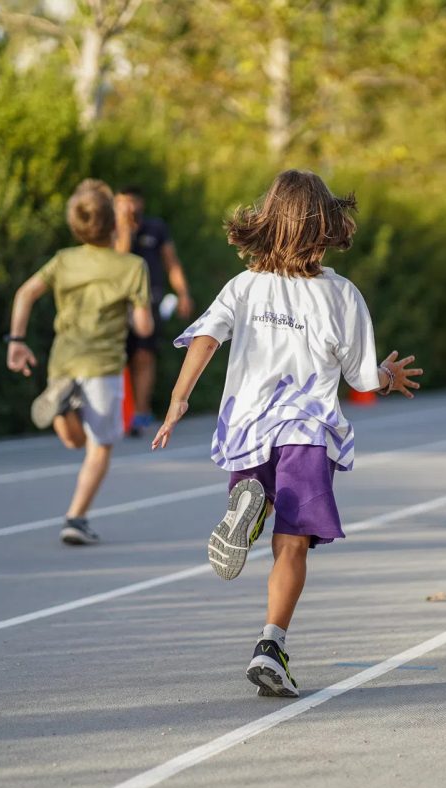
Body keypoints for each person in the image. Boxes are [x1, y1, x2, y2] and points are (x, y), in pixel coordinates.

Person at [151, 169, 421, 698]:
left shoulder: (244, 286)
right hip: (306, 430)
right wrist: (389, 376)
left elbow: (206, 338)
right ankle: (271, 646)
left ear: (266, 222)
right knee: (293, 545)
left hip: (248, 426)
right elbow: (362, 378)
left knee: (255, 502)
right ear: (327, 226)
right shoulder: (341, 295)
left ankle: (246, 510)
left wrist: (178, 400)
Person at [6, 179, 154, 545]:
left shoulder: (63, 260)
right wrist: (142, 312)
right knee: (100, 446)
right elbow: (144, 325)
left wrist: (16, 341)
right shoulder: (132, 267)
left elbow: (25, 293)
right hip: (103, 366)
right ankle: (76, 517)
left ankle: (65, 407)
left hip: (64, 362)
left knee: (73, 442)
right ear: (114, 224)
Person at [113, 186, 194, 436]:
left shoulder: (156, 228)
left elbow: (172, 262)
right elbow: (119, 260)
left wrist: (183, 294)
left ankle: (140, 411)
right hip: (118, 304)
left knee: (144, 355)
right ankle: (118, 413)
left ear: (141, 203)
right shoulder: (110, 229)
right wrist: (126, 231)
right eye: (123, 203)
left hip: (149, 301)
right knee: (117, 358)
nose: (129, 208)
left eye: (133, 202)